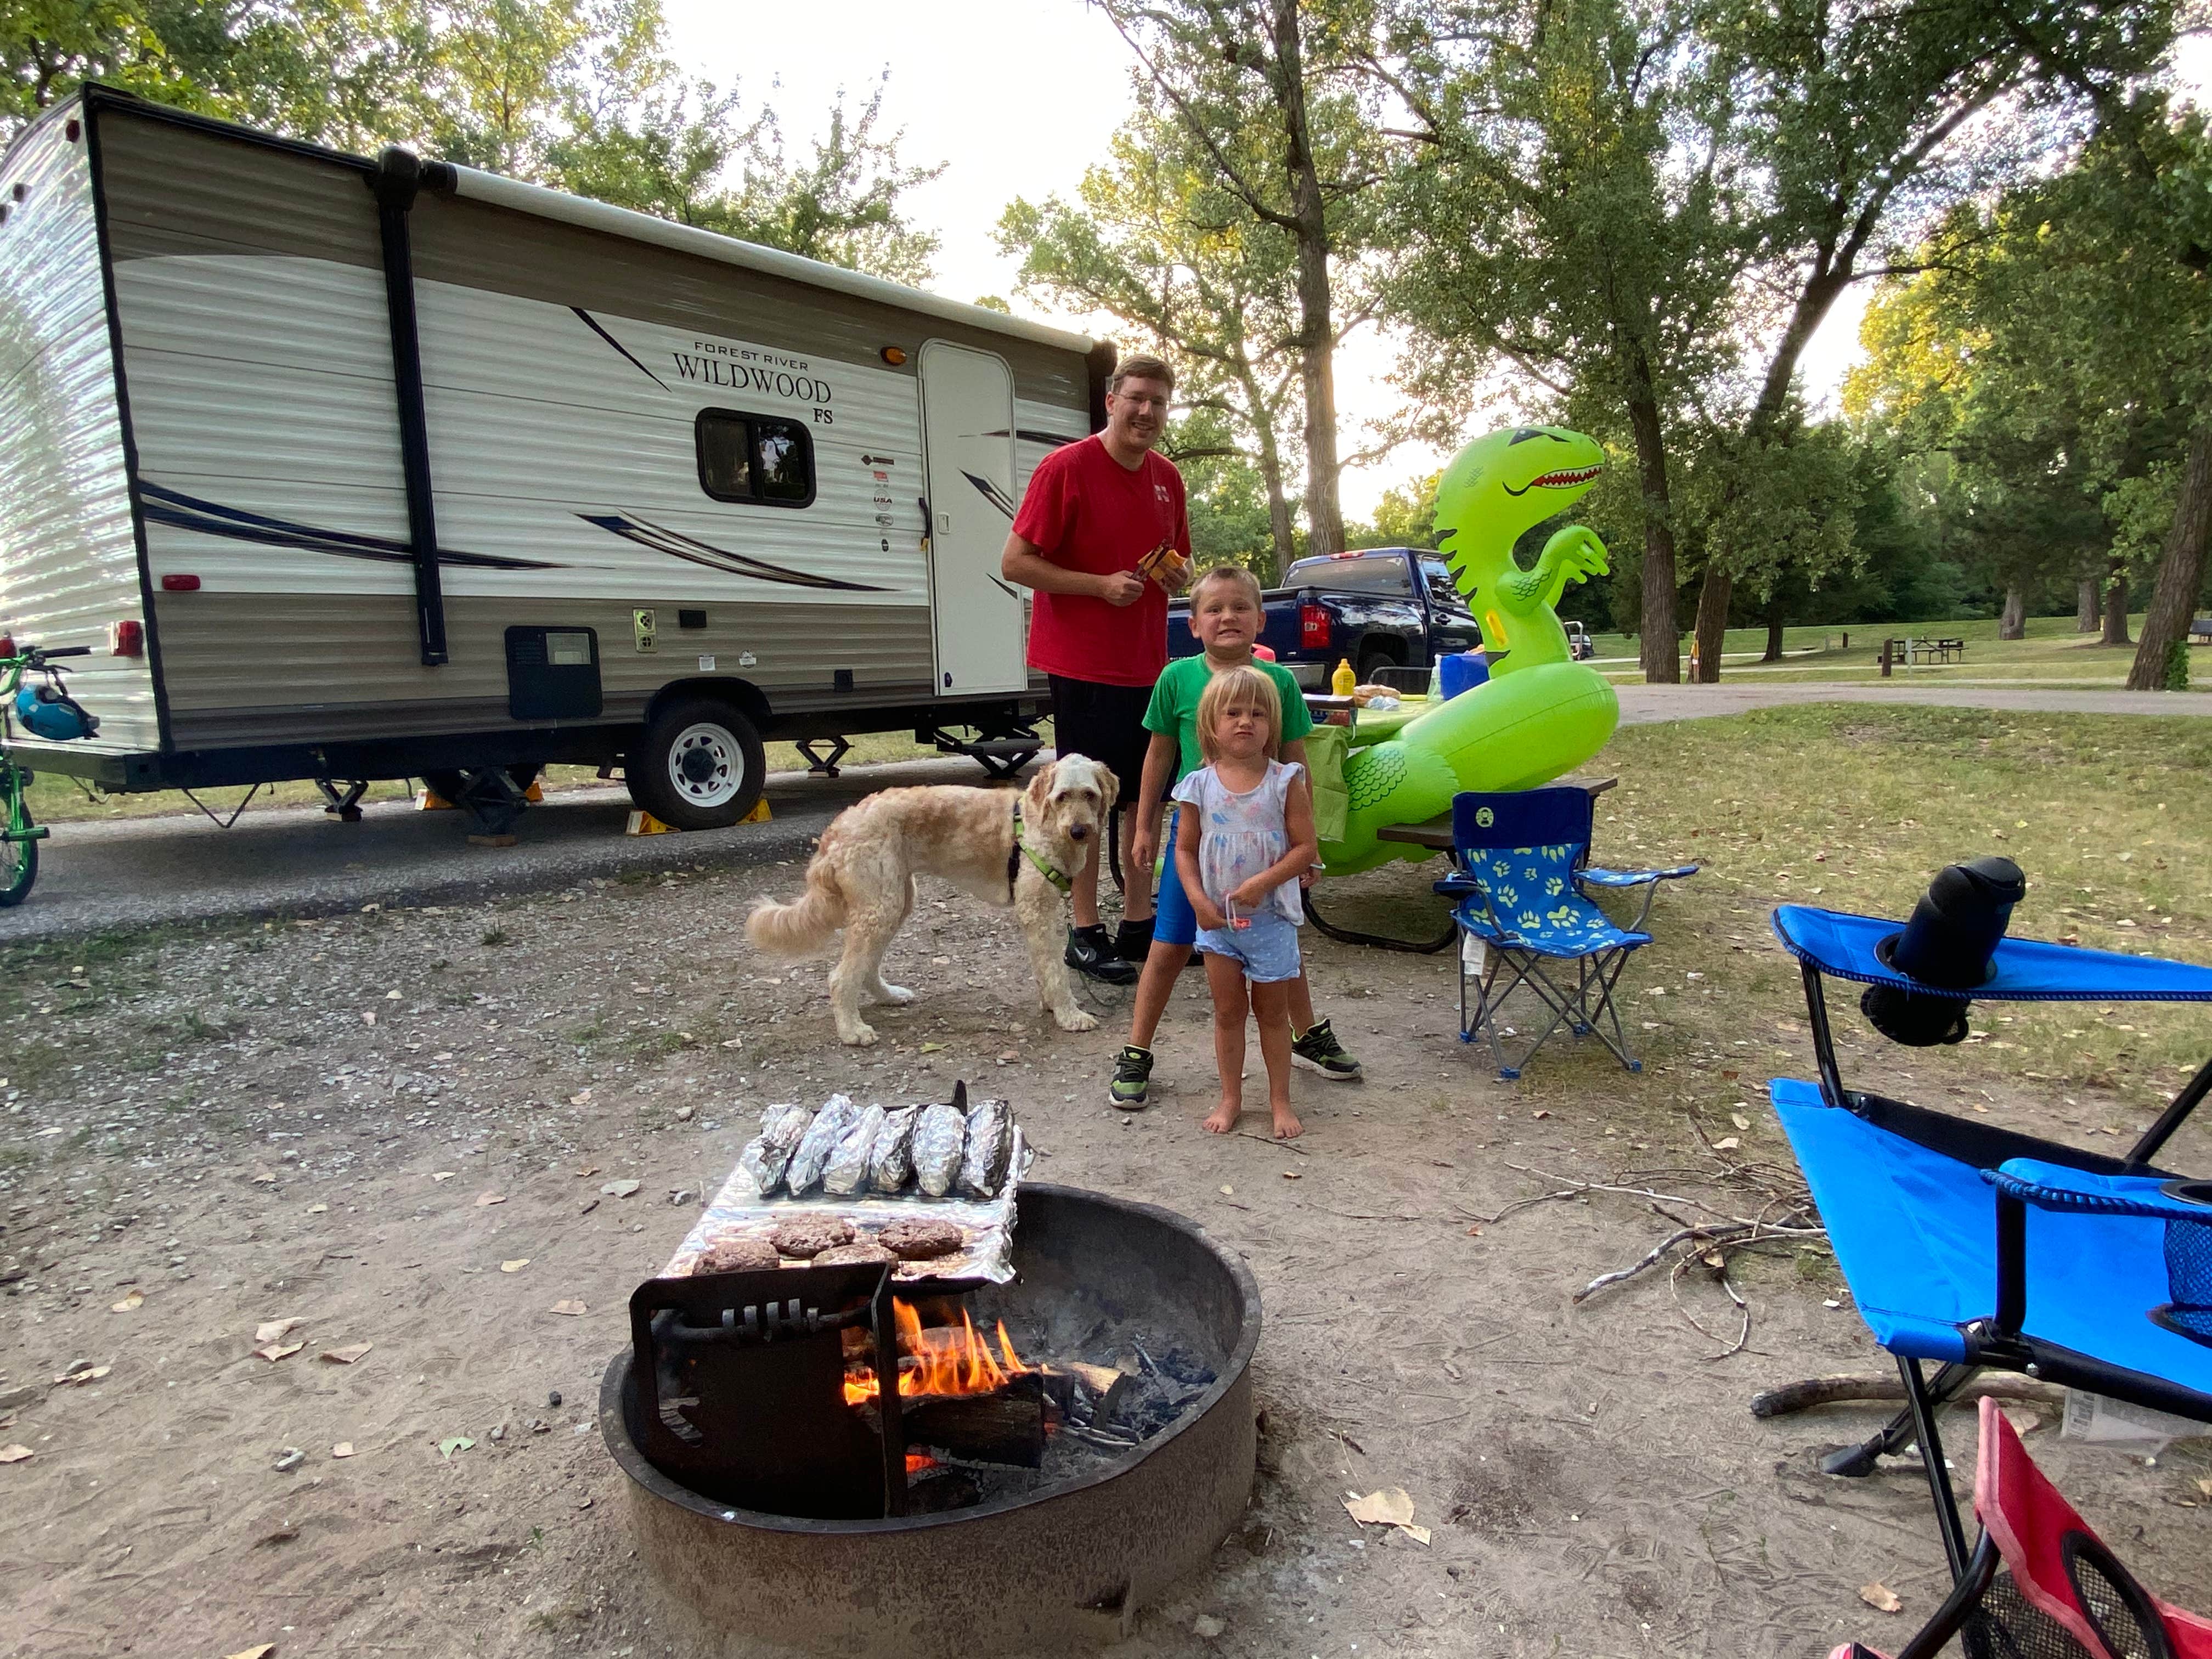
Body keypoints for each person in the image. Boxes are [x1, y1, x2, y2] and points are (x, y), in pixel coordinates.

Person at [1109, 564, 1362, 1108]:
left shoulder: (1280, 683)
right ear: (1194, 623)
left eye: (1241, 607)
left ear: (1261, 620)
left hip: (1269, 842)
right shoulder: (1177, 679)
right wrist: (1145, 824)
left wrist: (1309, 844)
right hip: (1201, 839)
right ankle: (1137, 1049)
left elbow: (1296, 760)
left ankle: (1306, 1033)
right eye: (1215, 609)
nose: (1228, 617)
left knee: (1279, 945)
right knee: (1169, 945)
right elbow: (1158, 753)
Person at [1000, 352, 1191, 986]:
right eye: (1136, 398)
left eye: (1158, 402)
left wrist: (1179, 574)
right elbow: (1016, 562)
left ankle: (1139, 925)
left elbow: (1180, 558)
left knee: (1144, 798)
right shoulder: (1066, 468)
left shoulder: (1167, 478)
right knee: (1084, 801)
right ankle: (1084, 933)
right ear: (1112, 401)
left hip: (1148, 665)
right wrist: (1098, 585)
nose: (1146, 411)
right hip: (1082, 663)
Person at [1172, 665, 1316, 1141]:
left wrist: (1263, 883)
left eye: (1257, 713)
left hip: (1271, 920)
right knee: (1228, 1013)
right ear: (1210, 724)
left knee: (1273, 1015)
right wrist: (1197, 901)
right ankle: (1231, 1097)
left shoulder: (1285, 781)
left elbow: (1305, 848)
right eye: (1232, 713)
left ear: (1272, 724)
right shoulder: (1198, 785)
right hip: (1217, 924)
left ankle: (1280, 1100)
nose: (1245, 722)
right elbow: (1185, 851)